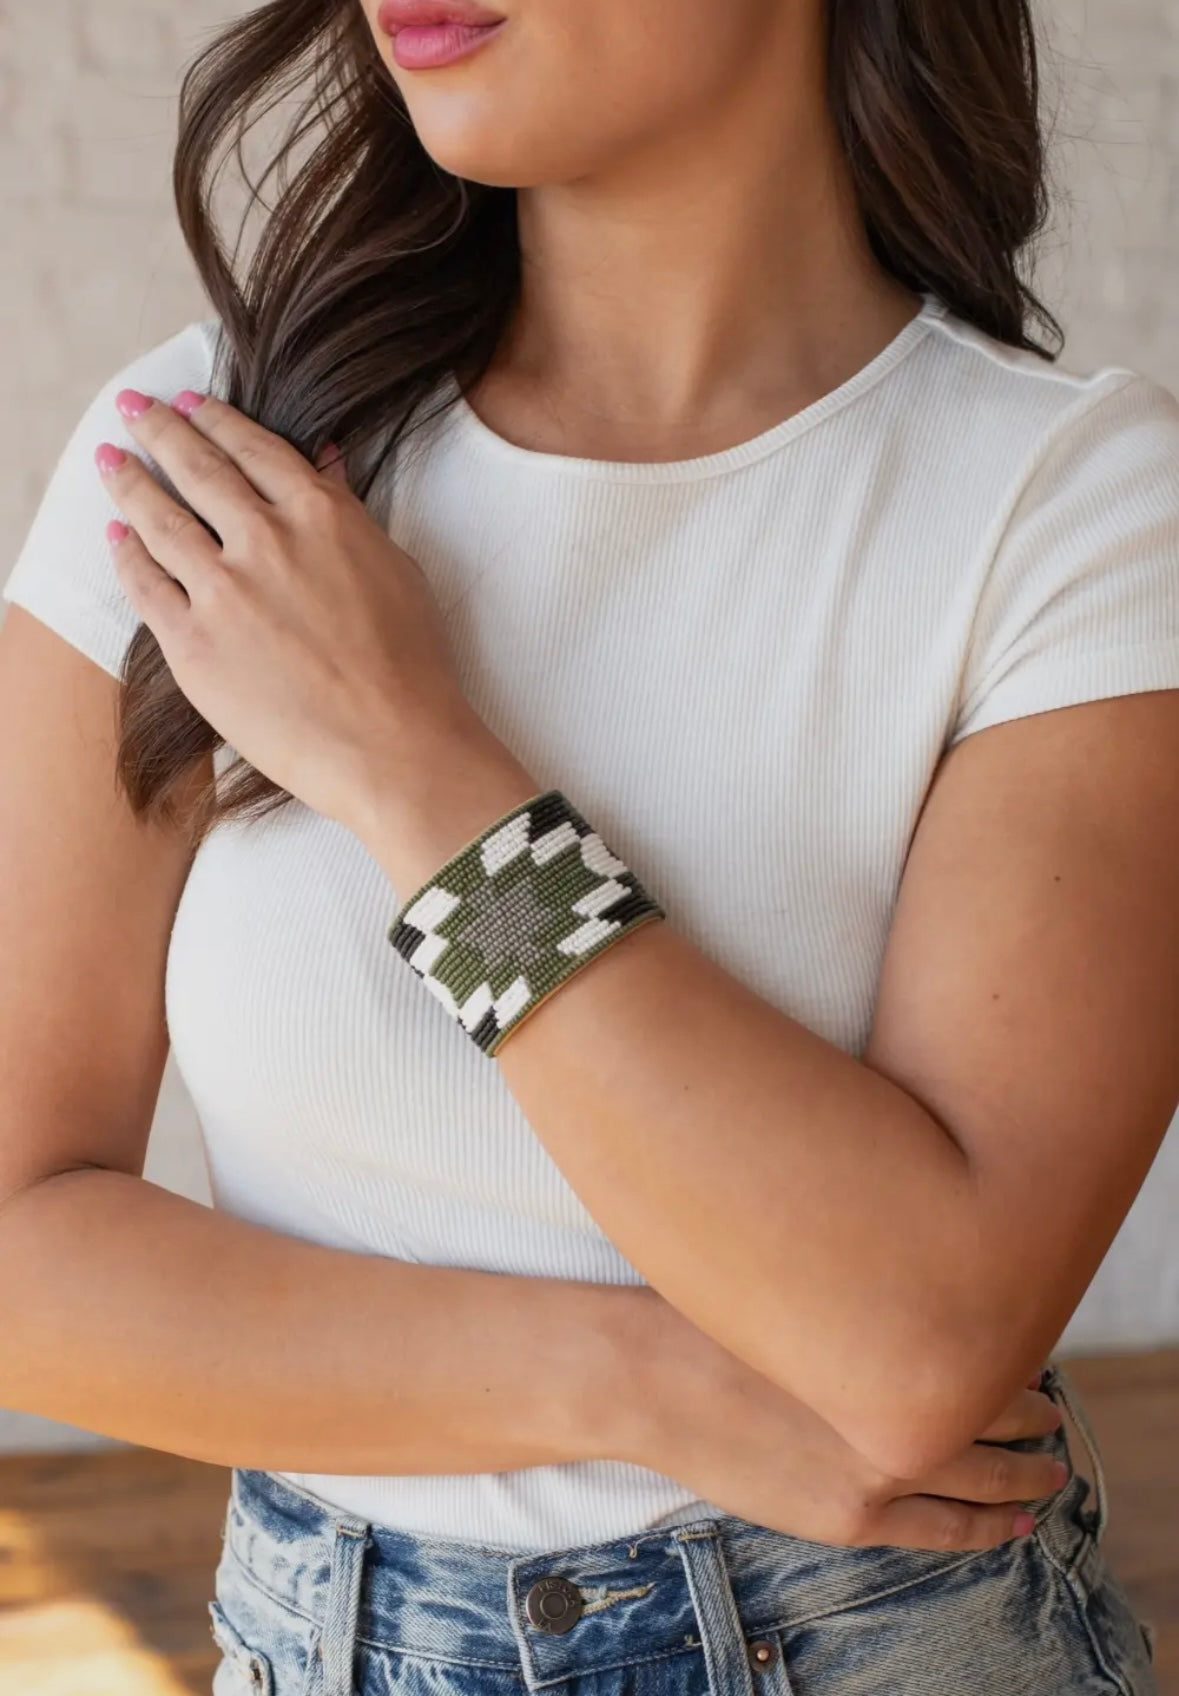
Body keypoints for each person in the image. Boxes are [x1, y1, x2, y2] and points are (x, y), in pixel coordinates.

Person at [1, 0, 1175, 1689]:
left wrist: (416, 770)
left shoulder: (1067, 503)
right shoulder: (214, 459)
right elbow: (20, 1245)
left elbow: (917, 1340)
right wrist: (636, 1387)